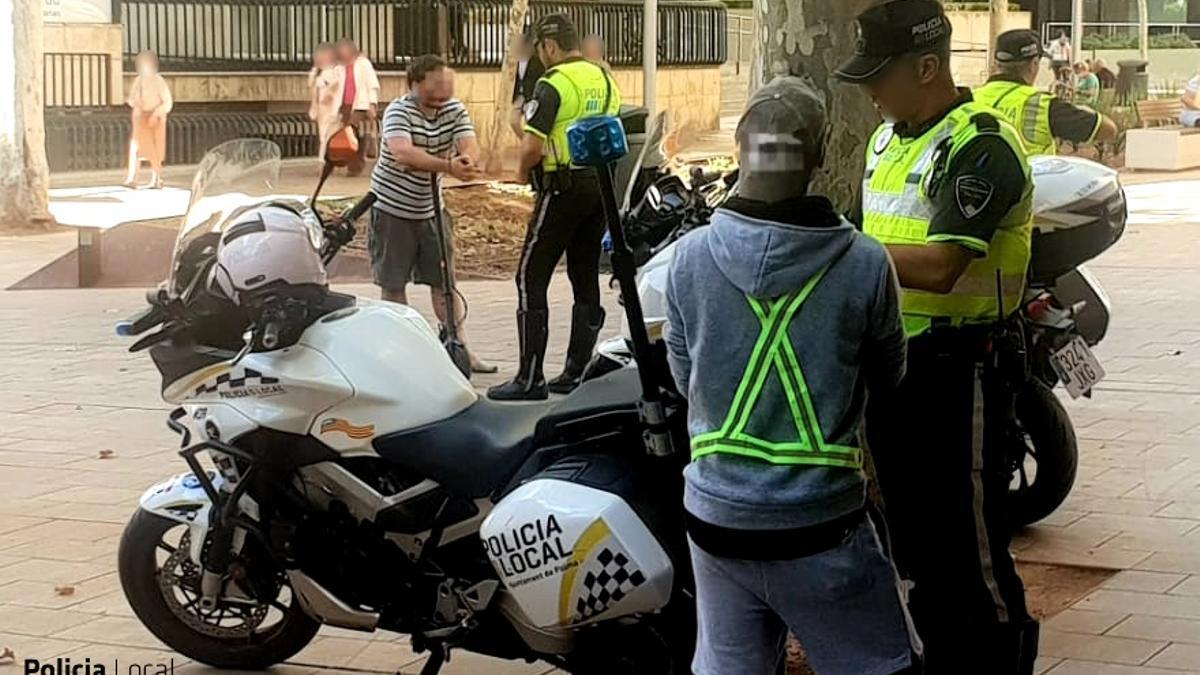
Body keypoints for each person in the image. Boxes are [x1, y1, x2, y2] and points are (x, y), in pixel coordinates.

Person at [664, 75, 918, 675]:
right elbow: (889, 377)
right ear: (822, 157)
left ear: (739, 152)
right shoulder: (864, 263)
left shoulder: (689, 258)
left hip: (714, 518)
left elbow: (684, 379)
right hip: (820, 525)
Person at [835, 0, 1039, 673]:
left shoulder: (980, 142)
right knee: (915, 545)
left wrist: (838, 248)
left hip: (962, 372)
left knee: (971, 550)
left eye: (878, 75)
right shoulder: (886, 141)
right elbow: (872, 251)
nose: (868, 90)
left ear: (926, 67)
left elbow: (945, 264)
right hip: (893, 368)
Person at [488, 13, 621, 400]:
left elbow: (532, 147)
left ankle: (530, 379)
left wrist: (517, 174)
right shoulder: (603, 78)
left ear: (549, 47)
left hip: (560, 189)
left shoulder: (552, 84)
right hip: (599, 189)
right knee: (584, 275)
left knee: (530, 275)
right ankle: (577, 372)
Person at [370, 54, 495, 374]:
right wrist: (447, 166)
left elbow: (469, 143)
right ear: (415, 84)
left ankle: (460, 348)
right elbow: (403, 153)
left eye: (448, 84)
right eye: (436, 84)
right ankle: (402, 353)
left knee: (445, 283)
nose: (444, 91)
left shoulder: (454, 109)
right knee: (393, 282)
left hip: (432, 209)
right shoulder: (399, 110)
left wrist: (466, 160)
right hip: (393, 208)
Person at [975, 29, 1117, 155]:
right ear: (1034, 64)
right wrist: (1081, 109)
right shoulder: (1043, 105)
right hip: (1031, 183)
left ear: (997, 64)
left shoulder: (970, 99)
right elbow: (1108, 130)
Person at [124, 50, 172, 189]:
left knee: (155, 149)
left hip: (155, 119)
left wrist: (156, 114)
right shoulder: (138, 80)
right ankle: (133, 177)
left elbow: (167, 102)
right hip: (141, 118)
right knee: (136, 148)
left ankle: (156, 178)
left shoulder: (159, 81)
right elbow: (131, 98)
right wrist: (135, 103)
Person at [337, 39, 381, 176]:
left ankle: (355, 165)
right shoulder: (339, 66)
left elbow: (371, 85)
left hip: (360, 104)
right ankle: (354, 161)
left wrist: (372, 104)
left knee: (351, 132)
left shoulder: (363, 64)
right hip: (344, 105)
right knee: (349, 135)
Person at [308, 43, 345, 160]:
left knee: (328, 135)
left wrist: (329, 92)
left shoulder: (333, 71)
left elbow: (336, 84)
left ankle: (325, 159)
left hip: (332, 108)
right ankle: (327, 158)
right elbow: (312, 88)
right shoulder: (318, 73)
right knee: (324, 135)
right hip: (322, 110)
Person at [510, 31, 545, 138]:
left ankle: (533, 146)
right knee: (513, 121)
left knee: (530, 124)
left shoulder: (537, 62)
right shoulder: (514, 62)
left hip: (532, 96)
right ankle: (525, 141)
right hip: (520, 96)